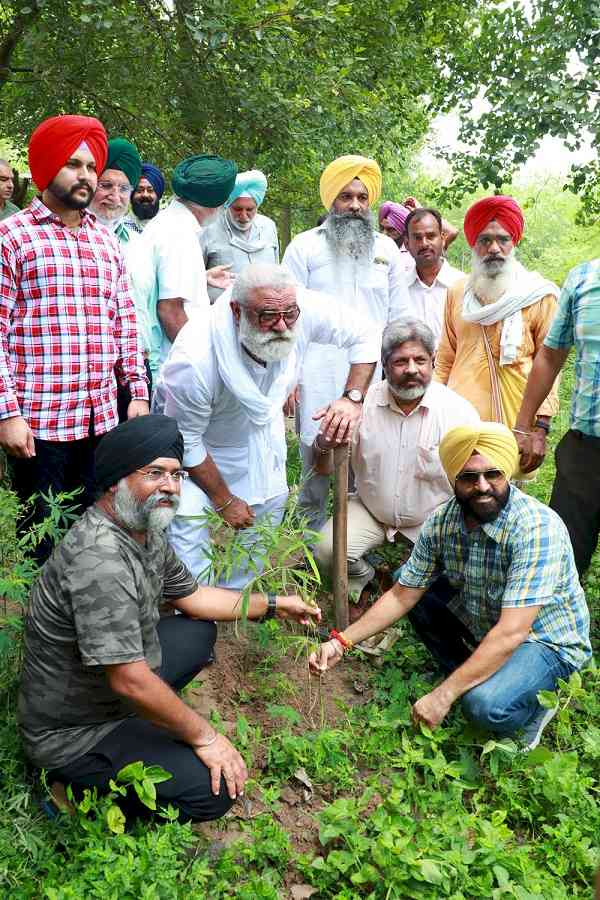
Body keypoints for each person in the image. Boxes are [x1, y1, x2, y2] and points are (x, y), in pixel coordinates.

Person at [18, 415, 320, 823]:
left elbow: (193, 597)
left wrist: (274, 604)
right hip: (74, 730)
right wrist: (206, 736)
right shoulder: (100, 560)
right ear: (115, 481)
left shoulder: (143, 529)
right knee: (213, 792)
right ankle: (68, 784)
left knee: (197, 632)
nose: (170, 486)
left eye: (177, 475)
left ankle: (145, 719)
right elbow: (127, 679)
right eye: (155, 473)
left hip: (110, 687)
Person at [310, 423, 591, 750]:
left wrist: (444, 695)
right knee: (412, 583)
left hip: (545, 639)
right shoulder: (442, 522)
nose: (482, 486)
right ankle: (472, 676)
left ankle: (532, 707)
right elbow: (402, 595)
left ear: (509, 475)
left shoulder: (535, 528)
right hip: (492, 619)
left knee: (484, 707)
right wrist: (341, 642)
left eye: (493, 475)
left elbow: (513, 632)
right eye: (469, 477)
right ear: (452, 479)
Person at [153, 263, 380, 585]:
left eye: (290, 313)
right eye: (268, 316)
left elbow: (365, 334)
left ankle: (235, 597)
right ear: (236, 311)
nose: (283, 326)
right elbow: (185, 440)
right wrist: (225, 500)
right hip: (200, 449)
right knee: (187, 518)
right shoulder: (194, 361)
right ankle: (193, 607)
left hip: (260, 435)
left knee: (268, 512)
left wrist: (352, 398)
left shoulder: (302, 308)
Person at [0, 114, 149, 564]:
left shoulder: (106, 242)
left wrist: (137, 394)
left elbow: (124, 322)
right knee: (41, 544)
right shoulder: (12, 238)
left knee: (96, 541)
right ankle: (42, 631)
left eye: (90, 166)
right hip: (38, 427)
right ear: (46, 168)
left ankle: (87, 628)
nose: (84, 175)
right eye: (73, 164)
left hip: (100, 419)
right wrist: (7, 414)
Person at [282, 155, 410, 529]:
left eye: (361, 197)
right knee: (315, 469)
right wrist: (289, 379)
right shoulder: (304, 247)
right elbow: (287, 319)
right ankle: (309, 551)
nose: (355, 205)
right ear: (331, 201)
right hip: (317, 373)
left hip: (372, 379)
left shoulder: (387, 251)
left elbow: (398, 322)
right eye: (345, 197)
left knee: (368, 465)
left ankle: (354, 549)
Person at [314, 318, 479, 595]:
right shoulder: (360, 407)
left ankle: (406, 581)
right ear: (385, 364)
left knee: (449, 580)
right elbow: (324, 468)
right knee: (325, 551)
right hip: (371, 511)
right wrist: (324, 443)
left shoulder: (457, 412)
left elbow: (475, 481)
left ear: (433, 362)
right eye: (401, 361)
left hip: (433, 520)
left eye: (420, 360)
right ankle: (365, 578)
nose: (412, 369)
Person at [435, 196, 559, 457]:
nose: (494, 248)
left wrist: (540, 426)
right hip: (460, 417)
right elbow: (445, 358)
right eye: (485, 240)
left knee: (507, 494)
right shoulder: (457, 292)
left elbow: (550, 364)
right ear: (473, 244)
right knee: (462, 487)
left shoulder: (539, 294)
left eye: (502, 239)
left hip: (517, 422)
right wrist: (433, 407)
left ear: (513, 243)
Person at [513, 258, 600, 578]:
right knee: (564, 561)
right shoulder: (583, 279)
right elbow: (549, 355)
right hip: (584, 452)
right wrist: (523, 426)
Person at [135, 154, 237, 379]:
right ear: (215, 204)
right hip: (174, 369)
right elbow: (170, 310)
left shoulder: (168, 223)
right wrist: (202, 364)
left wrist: (201, 278)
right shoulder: (178, 234)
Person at [89, 137, 152, 418]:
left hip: (137, 368)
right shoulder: (73, 238)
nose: (115, 195)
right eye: (106, 185)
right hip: (92, 371)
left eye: (123, 188)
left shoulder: (139, 243)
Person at [202, 169, 279, 302]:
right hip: (220, 313)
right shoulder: (208, 229)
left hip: (265, 312)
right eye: (237, 209)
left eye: (250, 210)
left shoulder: (269, 227)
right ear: (228, 205)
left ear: (257, 206)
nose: (243, 216)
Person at [404, 208, 464, 346]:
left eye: (431, 236)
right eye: (417, 238)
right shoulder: (398, 288)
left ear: (442, 239)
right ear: (407, 243)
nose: (424, 243)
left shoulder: (463, 286)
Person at [128, 163, 165, 230]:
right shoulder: (119, 228)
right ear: (132, 194)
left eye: (150, 190)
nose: (145, 195)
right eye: (139, 190)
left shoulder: (169, 226)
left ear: (158, 195)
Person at [378, 200, 412, 270]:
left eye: (390, 230)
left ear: (403, 231)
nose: (384, 234)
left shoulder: (414, 255)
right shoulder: (377, 248)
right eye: (382, 228)